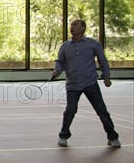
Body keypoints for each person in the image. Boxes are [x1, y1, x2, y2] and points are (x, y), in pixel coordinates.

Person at [51, 19, 120, 148]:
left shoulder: (93, 44)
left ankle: (113, 137)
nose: (72, 27)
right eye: (71, 25)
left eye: (75, 25)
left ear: (83, 28)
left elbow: (102, 61)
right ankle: (63, 136)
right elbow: (60, 61)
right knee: (70, 111)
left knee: (102, 111)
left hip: (90, 83)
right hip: (72, 84)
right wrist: (57, 70)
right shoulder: (65, 46)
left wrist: (106, 76)